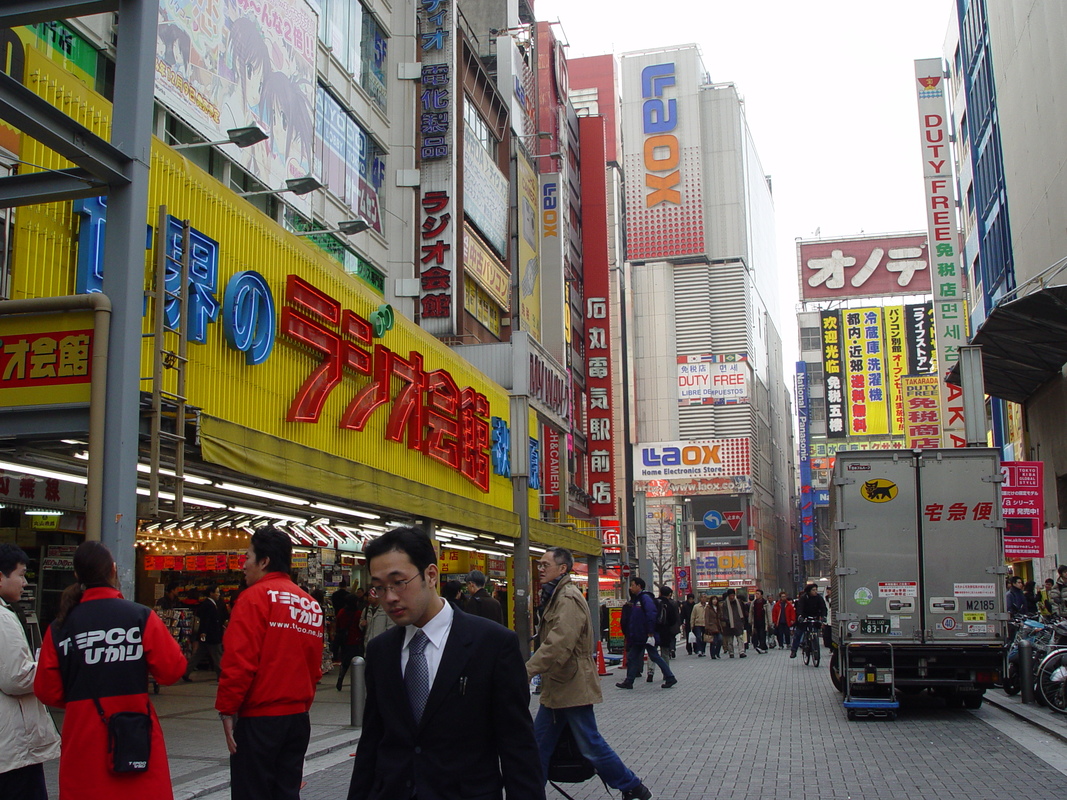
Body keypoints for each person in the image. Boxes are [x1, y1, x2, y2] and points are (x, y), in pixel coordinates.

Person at [347, 526, 543, 800]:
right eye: (379, 588)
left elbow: (518, 747)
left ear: (430, 575)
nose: (389, 597)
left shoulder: (492, 644)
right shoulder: (381, 651)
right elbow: (372, 742)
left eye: (398, 582)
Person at [34, 541, 186, 799]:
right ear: (113, 571)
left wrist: (78, 697)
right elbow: (172, 670)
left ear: (77, 575)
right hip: (135, 738)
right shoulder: (140, 616)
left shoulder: (60, 628)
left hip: (82, 741)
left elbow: (46, 690)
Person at [527, 548, 653, 800]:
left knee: (589, 744)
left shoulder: (567, 598)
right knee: (538, 746)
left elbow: (560, 640)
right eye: (539, 564)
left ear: (563, 569)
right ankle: (529, 793)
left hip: (572, 685)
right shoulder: (555, 596)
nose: (540, 568)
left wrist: (528, 670)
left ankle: (632, 786)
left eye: (545, 564)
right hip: (559, 686)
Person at [216, 526, 324, 800]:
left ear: (264, 561)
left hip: (260, 720)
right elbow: (314, 669)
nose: (243, 564)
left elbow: (239, 662)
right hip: (298, 720)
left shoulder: (253, 598)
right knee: (286, 792)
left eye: (248, 556)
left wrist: (227, 711)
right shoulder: (310, 605)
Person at [0, 544, 61, 799]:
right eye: (21, 574)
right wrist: (49, 666)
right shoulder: (3, 618)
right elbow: (15, 677)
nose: (24, 582)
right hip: (12, 746)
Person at [615, 578, 677, 689]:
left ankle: (670, 677)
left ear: (639, 586)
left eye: (633, 585)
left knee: (653, 656)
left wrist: (650, 632)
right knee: (634, 657)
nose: (631, 587)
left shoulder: (645, 598)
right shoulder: (637, 600)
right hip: (639, 635)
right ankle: (629, 681)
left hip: (645, 634)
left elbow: (651, 614)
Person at [184, 585, 227, 681]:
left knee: (198, 655)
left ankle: (186, 672)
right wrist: (203, 632)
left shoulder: (210, 604)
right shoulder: (208, 605)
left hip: (208, 635)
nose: (218, 594)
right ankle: (221, 675)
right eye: (216, 592)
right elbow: (206, 620)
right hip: (211, 635)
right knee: (217, 655)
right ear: (211, 593)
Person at [335, 594, 365, 691]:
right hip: (355, 640)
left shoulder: (341, 612)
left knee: (345, 662)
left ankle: (340, 678)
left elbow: (338, 625)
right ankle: (356, 682)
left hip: (344, 640)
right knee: (357, 662)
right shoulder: (358, 613)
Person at [790, 584, 828, 658]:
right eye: (813, 590)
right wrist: (800, 616)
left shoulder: (818, 598)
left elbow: (823, 608)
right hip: (804, 618)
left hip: (815, 617)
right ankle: (794, 650)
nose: (815, 591)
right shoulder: (803, 598)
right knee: (798, 634)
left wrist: (823, 616)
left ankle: (815, 649)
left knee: (815, 632)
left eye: (816, 590)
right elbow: (800, 608)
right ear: (809, 591)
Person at [655, 586, 681, 663]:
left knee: (653, 651)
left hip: (655, 630)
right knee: (665, 653)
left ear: (660, 593)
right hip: (666, 631)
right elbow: (674, 618)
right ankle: (666, 672)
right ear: (669, 594)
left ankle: (651, 670)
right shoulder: (671, 604)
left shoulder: (654, 602)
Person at [721, 588, 747, 658]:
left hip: (738, 623)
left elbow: (743, 612)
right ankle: (731, 652)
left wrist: (743, 621)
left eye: (733, 595)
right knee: (730, 640)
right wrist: (727, 620)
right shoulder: (725, 604)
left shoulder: (739, 602)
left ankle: (741, 652)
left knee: (740, 638)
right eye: (730, 596)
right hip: (729, 624)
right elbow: (723, 614)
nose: (732, 597)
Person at [748, 589, 771, 654]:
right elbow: (751, 612)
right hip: (755, 621)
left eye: (758, 594)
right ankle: (763, 647)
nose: (757, 595)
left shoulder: (765, 602)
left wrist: (770, 622)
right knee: (756, 635)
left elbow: (768, 613)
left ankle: (761, 647)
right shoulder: (753, 603)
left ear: (761, 595)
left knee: (762, 634)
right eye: (756, 594)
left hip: (763, 621)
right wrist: (750, 620)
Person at [704, 594, 724, 658]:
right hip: (711, 626)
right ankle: (713, 654)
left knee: (720, 640)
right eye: (713, 599)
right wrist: (707, 627)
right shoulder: (708, 608)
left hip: (718, 626)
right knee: (713, 641)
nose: (715, 601)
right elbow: (706, 618)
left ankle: (717, 652)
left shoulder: (719, 608)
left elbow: (721, 616)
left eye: (716, 599)